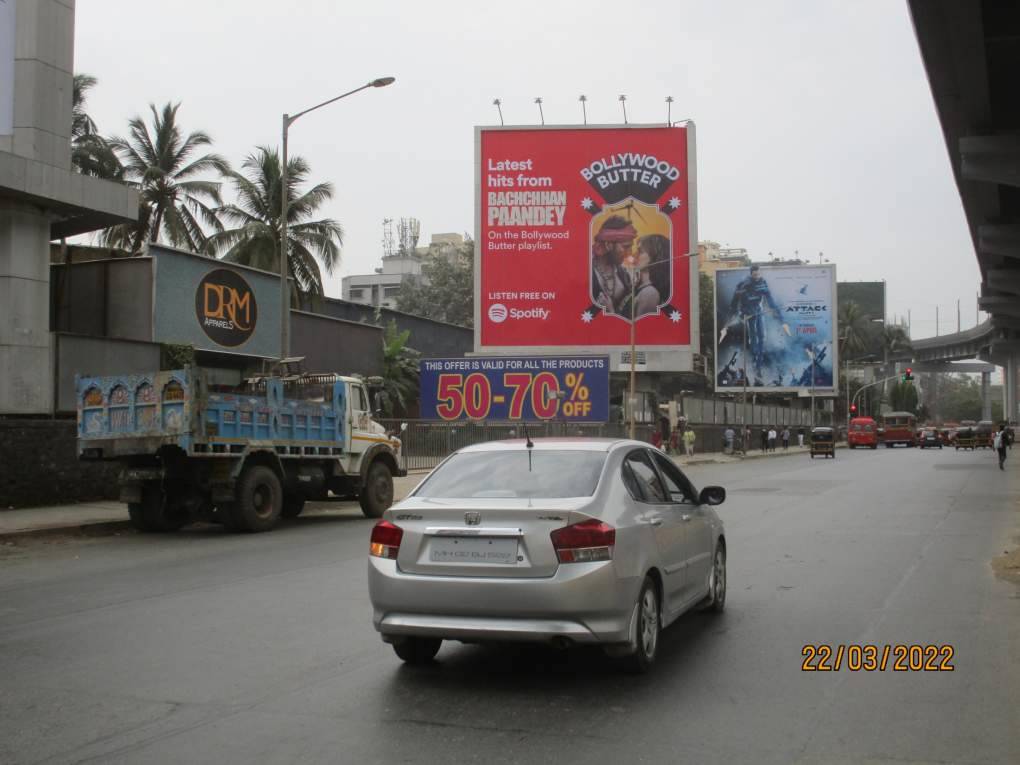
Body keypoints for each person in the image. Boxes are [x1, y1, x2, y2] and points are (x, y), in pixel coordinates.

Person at [722, 265, 791, 379]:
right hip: (748, 314)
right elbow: (734, 303)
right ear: (751, 274)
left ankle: (758, 365)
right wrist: (737, 314)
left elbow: (770, 300)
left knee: (762, 338)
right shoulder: (743, 284)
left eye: (758, 274)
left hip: (759, 312)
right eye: (755, 275)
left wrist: (777, 313)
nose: (757, 277)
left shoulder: (763, 283)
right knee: (754, 339)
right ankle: (755, 364)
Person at [591, 216, 636, 315]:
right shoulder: (587, 272)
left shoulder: (624, 274)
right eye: (626, 247)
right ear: (608, 245)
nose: (629, 253)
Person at [630, 234, 671, 318]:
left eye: (640, 251)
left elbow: (640, 328)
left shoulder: (649, 293)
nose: (634, 255)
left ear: (655, 256)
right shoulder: (640, 286)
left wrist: (610, 310)